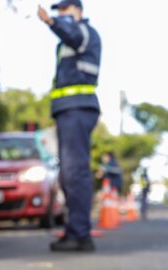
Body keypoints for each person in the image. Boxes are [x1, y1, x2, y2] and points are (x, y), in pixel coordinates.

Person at [38, 0, 102, 252]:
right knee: (68, 174)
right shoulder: (65, 42)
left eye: (65, 10)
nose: (61, 14)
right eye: (58, 12)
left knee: (75, 173)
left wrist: (51, 21)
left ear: (78, 10)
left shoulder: (83, 31)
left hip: (78, 108)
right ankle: (75, 230)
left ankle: (80, 234)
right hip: (68, 110)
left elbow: (72, 33)